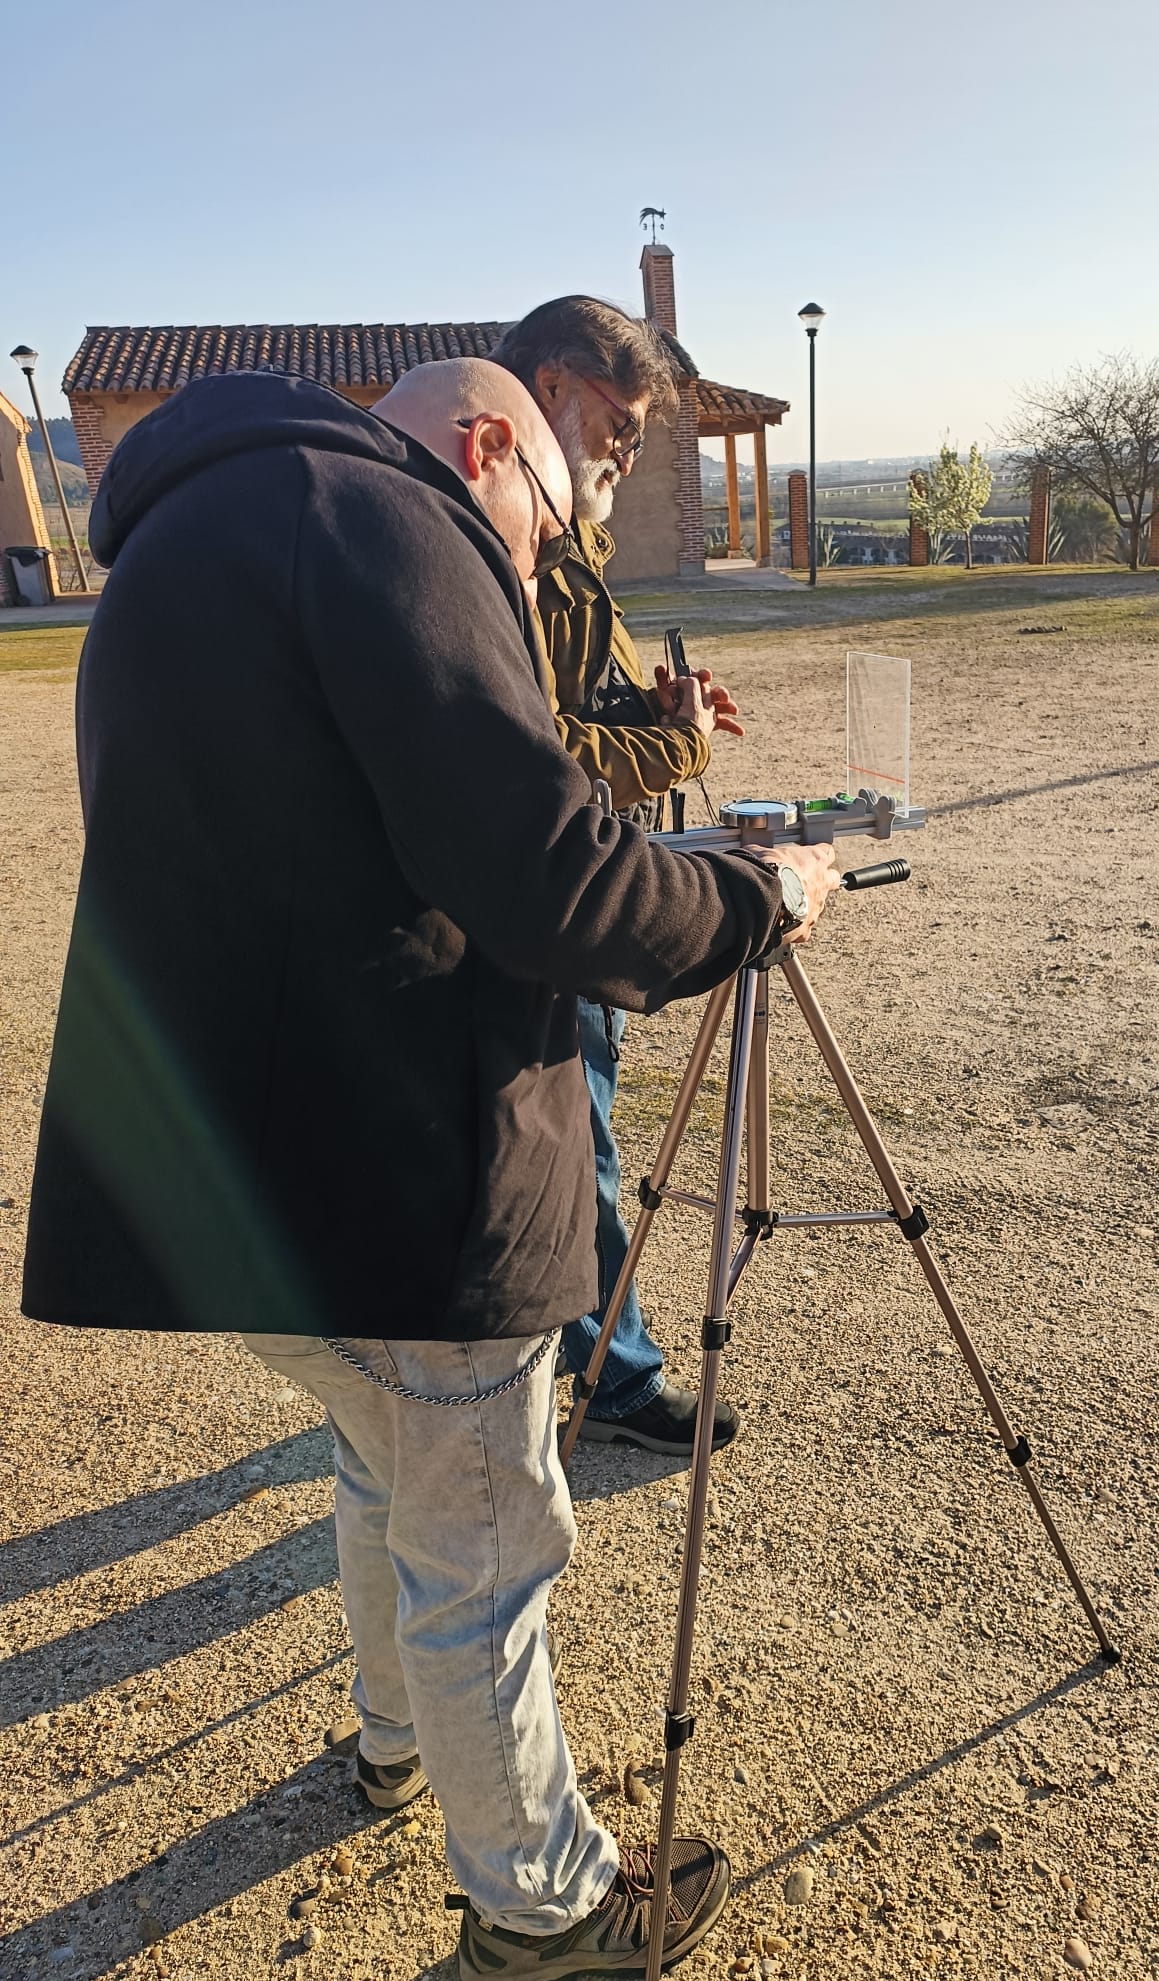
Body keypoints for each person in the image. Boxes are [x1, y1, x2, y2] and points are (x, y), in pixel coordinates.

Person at [21, 358, 838, 1981]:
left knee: (385, 1466)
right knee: (483, 1546)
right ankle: (539, 1907)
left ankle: (396, 1740)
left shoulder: (187, 538)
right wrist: (759, 898)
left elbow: (368, 826)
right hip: (410, 1173)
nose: (533, 565)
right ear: (484, 448)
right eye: (539, 526)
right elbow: (544, 878)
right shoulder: (389, 519)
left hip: (247, 1189)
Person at [491, 298, 743, 1455]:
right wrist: (675, 748)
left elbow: (581, 704)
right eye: (621, 426)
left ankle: (574, 1361)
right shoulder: (509, 547)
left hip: (577, 875)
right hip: (550, 892)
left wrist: (656, 708)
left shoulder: (566, 544)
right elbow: (539, 753)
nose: (628, 456)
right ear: (551, 388)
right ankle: (614, 1381)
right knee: (576, 1143)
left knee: (576, 1134)